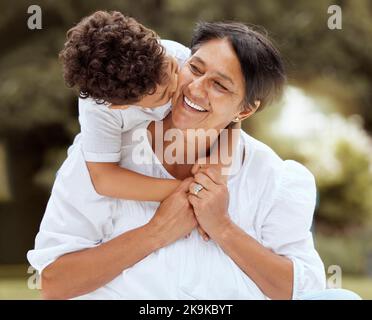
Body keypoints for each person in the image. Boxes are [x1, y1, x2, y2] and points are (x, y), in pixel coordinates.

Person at [28, 21, 361, 300]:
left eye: (219, 85)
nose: (195, 89)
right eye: (196, 69)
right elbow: (54, 283)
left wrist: (222, 227)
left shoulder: (273, 177)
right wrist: (155, 232)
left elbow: (301, 291)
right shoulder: (100, 155)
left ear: (244, 110)